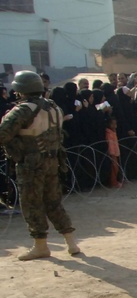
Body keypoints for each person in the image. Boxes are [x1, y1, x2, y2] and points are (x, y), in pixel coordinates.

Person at [0, 70, 81, 261]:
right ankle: (71, 243)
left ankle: (40, 246)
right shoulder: (53, 107)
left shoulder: (23, 110)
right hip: (52, 161)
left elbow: (3, 134)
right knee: (54, 202)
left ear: (20, 90)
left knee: (32, 203)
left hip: (30, 163)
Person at [105, 115, 122, 188]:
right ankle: (113, 182)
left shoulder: (113, 132)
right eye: (113, 124)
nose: (115, 126)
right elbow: (111, 144)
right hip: (113, 153)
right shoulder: (109, 133)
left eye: (115, 124)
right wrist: (112, 153)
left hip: (116, 152)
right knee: (114, 168)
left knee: (116, 167)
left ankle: (116, 181)